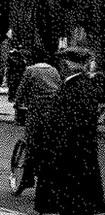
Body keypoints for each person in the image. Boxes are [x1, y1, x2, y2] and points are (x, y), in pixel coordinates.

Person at [35, 47, 105, 215]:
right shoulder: (79, 84)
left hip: (68, 152)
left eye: (63, 62)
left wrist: (55, 145)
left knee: (72, 201)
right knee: (75, 201)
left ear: (69, 64)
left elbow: (73, 121)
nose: (61, 66)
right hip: (76, 151)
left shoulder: (76, 86)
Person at [14, 53, 62, 191]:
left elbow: (21, 90)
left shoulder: (30, 70)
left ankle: (27, 179)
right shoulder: (54, 70)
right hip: (55, 110)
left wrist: (17, 104)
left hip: (37, 109)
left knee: (31, 141)